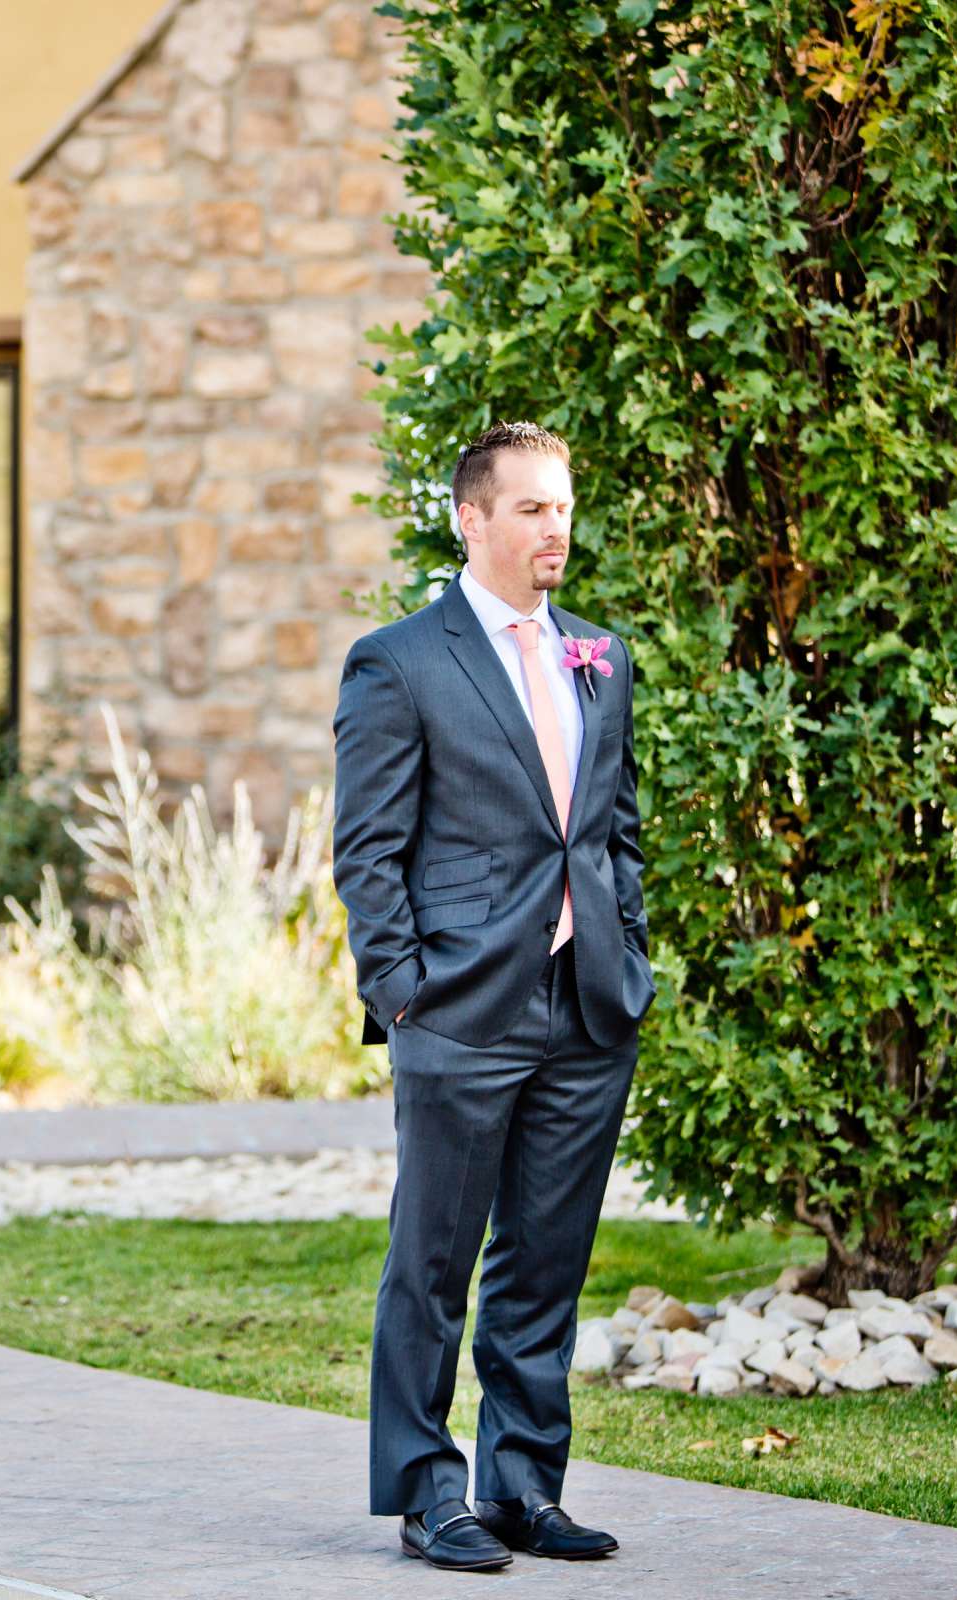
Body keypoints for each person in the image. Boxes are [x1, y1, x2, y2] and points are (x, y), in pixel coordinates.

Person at [331, 423, 654, 1570]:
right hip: (459, 1008)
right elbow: (368, 850)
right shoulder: (400, 662)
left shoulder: (600, 656)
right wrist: (405, 990)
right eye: (529, 509)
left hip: (586, 1005)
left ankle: (522, 1485)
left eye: (562, 506)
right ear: (472, 520)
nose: (553, 527)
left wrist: (631, 958)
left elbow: (612, 833)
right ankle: (429, 1491)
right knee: (433, 1260)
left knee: (545, 1259)